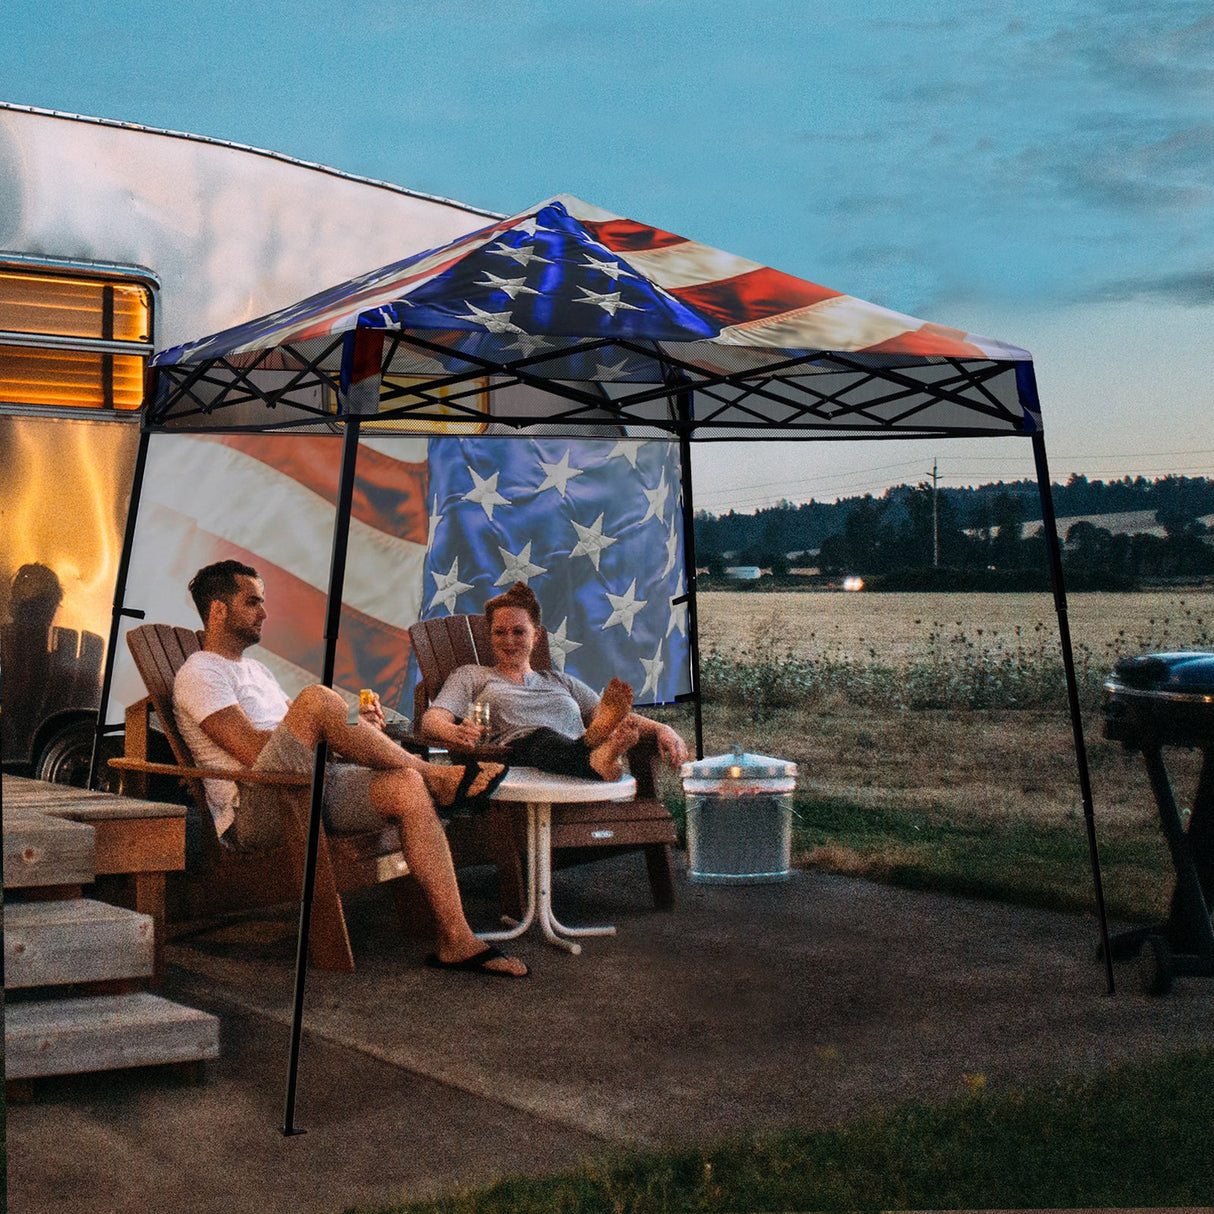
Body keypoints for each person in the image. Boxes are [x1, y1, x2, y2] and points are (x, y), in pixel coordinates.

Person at [172, 559, 527, 979]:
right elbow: (252, 751)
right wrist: (324, 724)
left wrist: (360, 728)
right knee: (319, 699)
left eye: (263, 602)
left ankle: (457, 938)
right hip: (259, 805)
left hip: (310, 784)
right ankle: (438, 775)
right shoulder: (199, 672)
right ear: (217, 610)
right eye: (253, 602)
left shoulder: (257, 671)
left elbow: (300, 732)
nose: (265, 613)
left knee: (405, 784)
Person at [421, 582, 689, 779]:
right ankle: (597, 751)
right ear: (490, 637)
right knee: (542, 737)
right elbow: (432, 719)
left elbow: (613, 716)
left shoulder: (560, 681)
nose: (509, 640)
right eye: (499, 632)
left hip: (575, 768)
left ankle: (595, 750)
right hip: (519, 761)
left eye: (519, 632)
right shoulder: (472, 675)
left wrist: (660, 728)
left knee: (595, 726)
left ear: (536, 636)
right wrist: (454, 732)